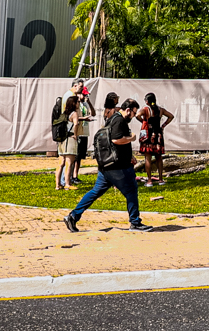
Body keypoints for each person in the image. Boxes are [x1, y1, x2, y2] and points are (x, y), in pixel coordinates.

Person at [65, 96, 151, 233]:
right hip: (118, 167)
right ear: (128, 110)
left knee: (95, 192)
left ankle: (73, 216)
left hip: (106, 166)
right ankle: (135, 222)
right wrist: (132, 138)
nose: (134, 116)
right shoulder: (119, 120)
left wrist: (130, 155)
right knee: (131, 191)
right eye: (134, 113)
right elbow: (116, 140)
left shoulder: (112, 118)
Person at [55, 87, 92, 189]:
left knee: (60, 163)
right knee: (69, 162)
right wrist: (75, 135)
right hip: (70, 138)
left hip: (62, 139)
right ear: (74, 104)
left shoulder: (64, 113)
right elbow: (75, 124)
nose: (78, 104)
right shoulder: (74, 113)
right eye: (77, 102)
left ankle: (58, 184)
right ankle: (67, 183)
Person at [138, 92, 174, 188]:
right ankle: (161, 179)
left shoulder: (145, 110)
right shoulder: (160, 110)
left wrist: (143, 122)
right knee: (159, 157)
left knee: (148, 158)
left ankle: (149, 181)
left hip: (148, 134)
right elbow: (171, 116)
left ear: (147, 101)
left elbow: (137, 115)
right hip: (158, 134)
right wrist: (163, 126)